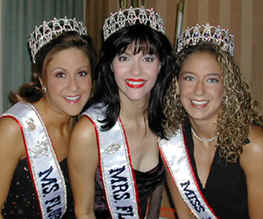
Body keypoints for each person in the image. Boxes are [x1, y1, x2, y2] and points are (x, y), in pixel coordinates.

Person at [68, 7, 176, 219]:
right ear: (110, 65)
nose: (136, 71)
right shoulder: (89, 131)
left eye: (147, 59)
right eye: (124, 58)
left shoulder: (165, 123)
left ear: (161, 64)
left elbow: (155, 197)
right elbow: (84, 212)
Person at [159, 23, 263, 219]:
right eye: (189, 78)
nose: (199, 91)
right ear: (177, 85)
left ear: (227, 87)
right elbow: (185, 216)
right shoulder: (172, 141)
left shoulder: (255, 146)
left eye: (212, 80)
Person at [0, 17, 96, 219]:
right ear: (41, 79)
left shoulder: (81, 124)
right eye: (60, 75)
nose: (74, 86)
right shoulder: (13, 129)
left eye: (82, 73)